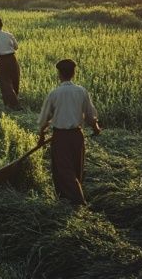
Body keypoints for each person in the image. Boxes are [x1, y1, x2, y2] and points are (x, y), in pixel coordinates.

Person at [38, 59, 101, 206]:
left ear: (59, 74)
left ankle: (78, 202)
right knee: (75, 167)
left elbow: (44, 119)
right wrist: (96, 127)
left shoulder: (54, 93)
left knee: (63, 170)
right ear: (74, 73)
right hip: (77, 136)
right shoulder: (81, 91)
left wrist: (41, 136)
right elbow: (91, 115)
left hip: (60, 137)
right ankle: (69, 200)